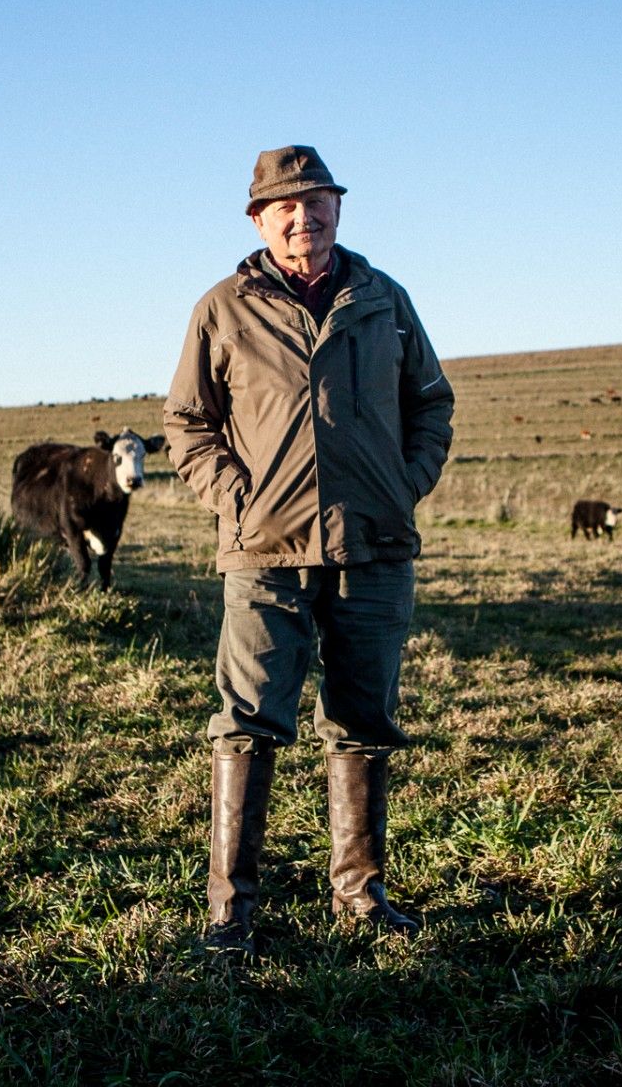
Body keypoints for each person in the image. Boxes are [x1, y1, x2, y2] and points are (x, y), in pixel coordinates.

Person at [163, 145, 455, 956]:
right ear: (259, 220)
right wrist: (238, 499)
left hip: (374, 547)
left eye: (318, 199)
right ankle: (231, 914)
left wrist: (404, 483)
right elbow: (187, 422)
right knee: (249, 723)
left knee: (364, 721)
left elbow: (431, 402)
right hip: (264, 553)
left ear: (337, 209)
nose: (305, 215)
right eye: (286, 205)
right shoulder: (223, 308)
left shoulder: (382, 299)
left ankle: (361, 898)